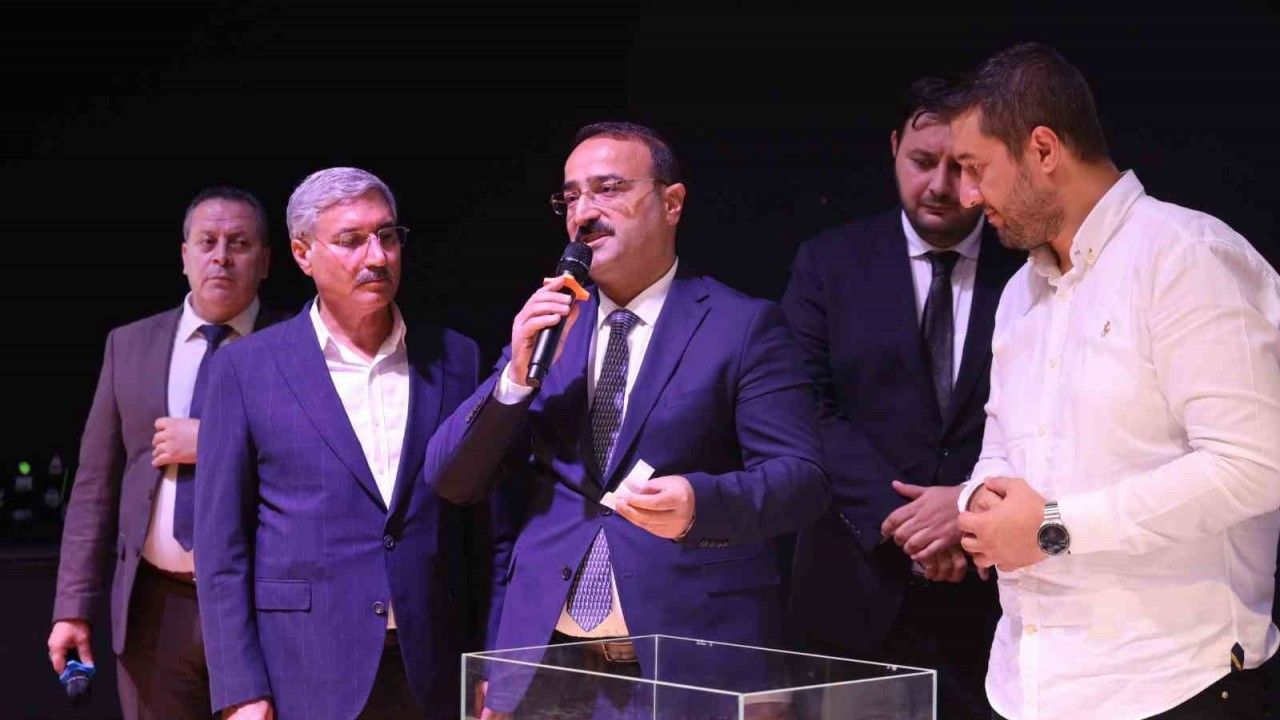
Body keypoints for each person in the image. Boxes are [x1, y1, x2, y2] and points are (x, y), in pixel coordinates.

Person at [426, 121, 829, 718]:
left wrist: (701, 502)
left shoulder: (741, 326)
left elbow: (802, 480)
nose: (584, 213)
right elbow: (453, 479)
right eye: (571, 197)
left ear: (672, 202)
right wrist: (516, 376)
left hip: (687, 665)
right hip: (547, 665)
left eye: (608, 189)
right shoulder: (551, 328)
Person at [948, 43, 1280, 719]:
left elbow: (1256, 465)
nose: (967, 196)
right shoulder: (1018, 295)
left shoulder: (1186, 256)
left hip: (1173, 681)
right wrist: (979, 497)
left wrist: (1053, 529)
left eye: (977, 169)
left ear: (1044, 150)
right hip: (1026, 684)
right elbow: (1000, 448)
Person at [194, 167, 486, 719]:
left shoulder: (457, 359)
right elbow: (220, 548)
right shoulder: (245, 369)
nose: (377, 256)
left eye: (387, 236)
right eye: (351, 240)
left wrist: (493, 662)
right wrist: (240, 690)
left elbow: (484, 528)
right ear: (302, 254)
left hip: (436, 664)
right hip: (306, 665)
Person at [783, 76, 1020, 719]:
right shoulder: (828, 263)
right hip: (853, 590)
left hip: (996, 601)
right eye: (921, 161)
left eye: (961, 166)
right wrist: (911, 525)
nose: (940, 185)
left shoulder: (1030, 269)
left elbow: (1057, 413)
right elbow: (805, 408)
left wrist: (964, 508)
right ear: (894, 149)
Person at [49, 187, 281, 719]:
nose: (221, 256)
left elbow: (319, 468)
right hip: (154, 609)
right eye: (207, 242)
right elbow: (94, 488)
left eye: (239, 243)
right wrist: (72, 608)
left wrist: (215, 443)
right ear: (184, 255)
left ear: (266, 261)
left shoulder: (297, 346)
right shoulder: (129, 345)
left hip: (261, 608)